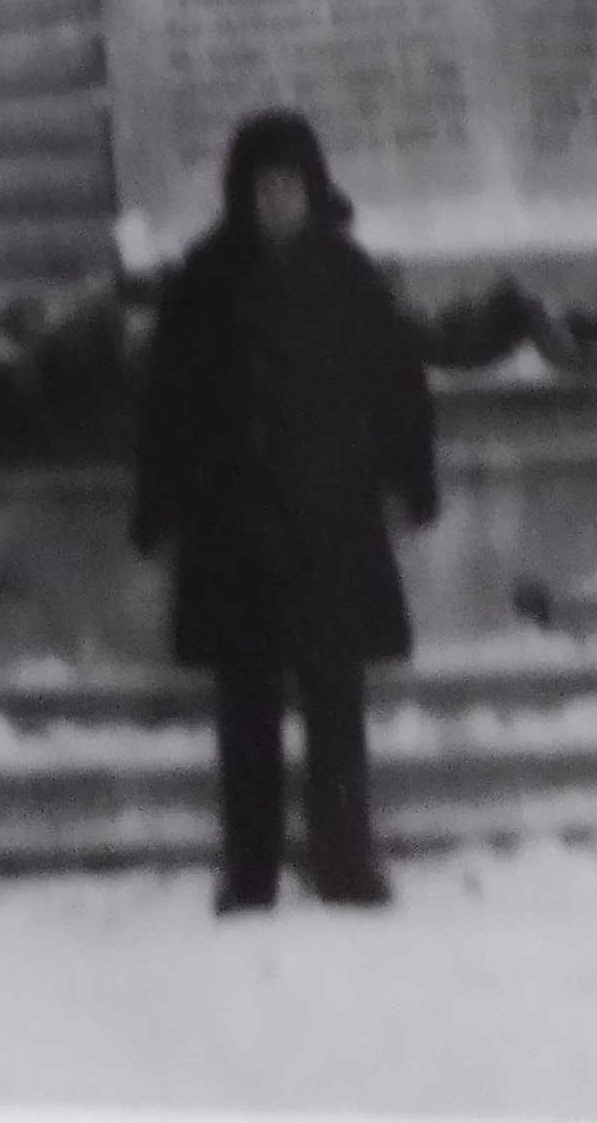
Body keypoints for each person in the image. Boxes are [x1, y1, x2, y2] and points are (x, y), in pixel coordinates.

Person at [130, 106, 439, 912]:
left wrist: (412, 479)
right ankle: (251, 866)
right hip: (235, 531)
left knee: (337, 703)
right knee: (247, 710)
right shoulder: (204, 281)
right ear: (242, 193)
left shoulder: (348, 276)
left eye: (291, 185)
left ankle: (345, 857)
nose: (278, 200)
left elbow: (398, 384)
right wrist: (159, 507)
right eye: (264, 186)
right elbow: (168, 402)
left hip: (329, 523)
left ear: (312, 189)